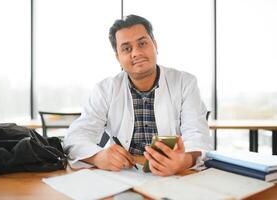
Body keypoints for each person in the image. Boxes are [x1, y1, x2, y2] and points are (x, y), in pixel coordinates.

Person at [63, 14, 212, 176]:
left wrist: (184, 160)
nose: (136, 53)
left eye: (142, 43)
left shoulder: (185, 82)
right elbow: (76, 136)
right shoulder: (105, 89)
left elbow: (197, 134)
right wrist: (98, 156)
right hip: (124, 173)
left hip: (174, 174)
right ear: (118, 58)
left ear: (155, 45)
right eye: (126, 49)